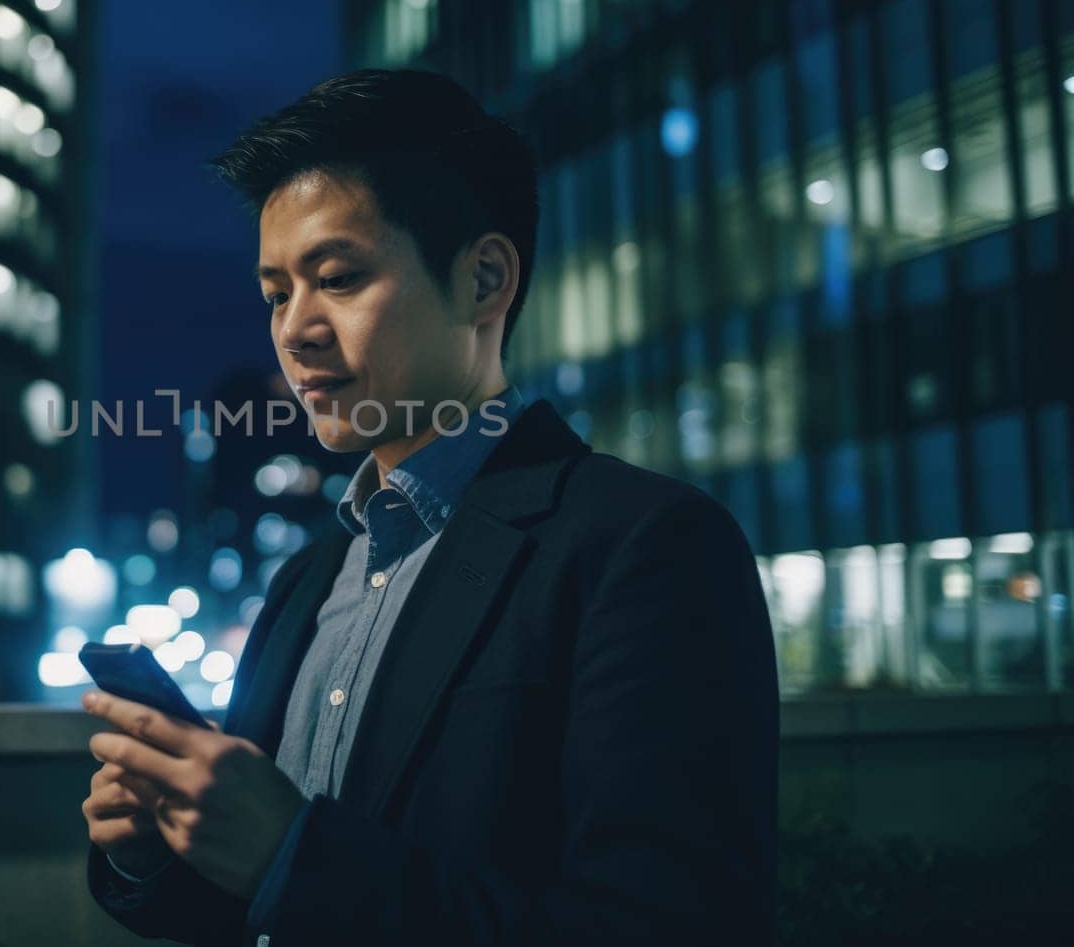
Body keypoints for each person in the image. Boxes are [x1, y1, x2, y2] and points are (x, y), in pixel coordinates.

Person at [80, 68, 778, 946]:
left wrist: (293, 852)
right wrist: (159, 848)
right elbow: (251, 906)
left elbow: (669, 924)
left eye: (336, 276)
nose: (294, 329)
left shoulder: (644, 545)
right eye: (274, 294)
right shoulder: (309, 578)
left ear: (485, 279)